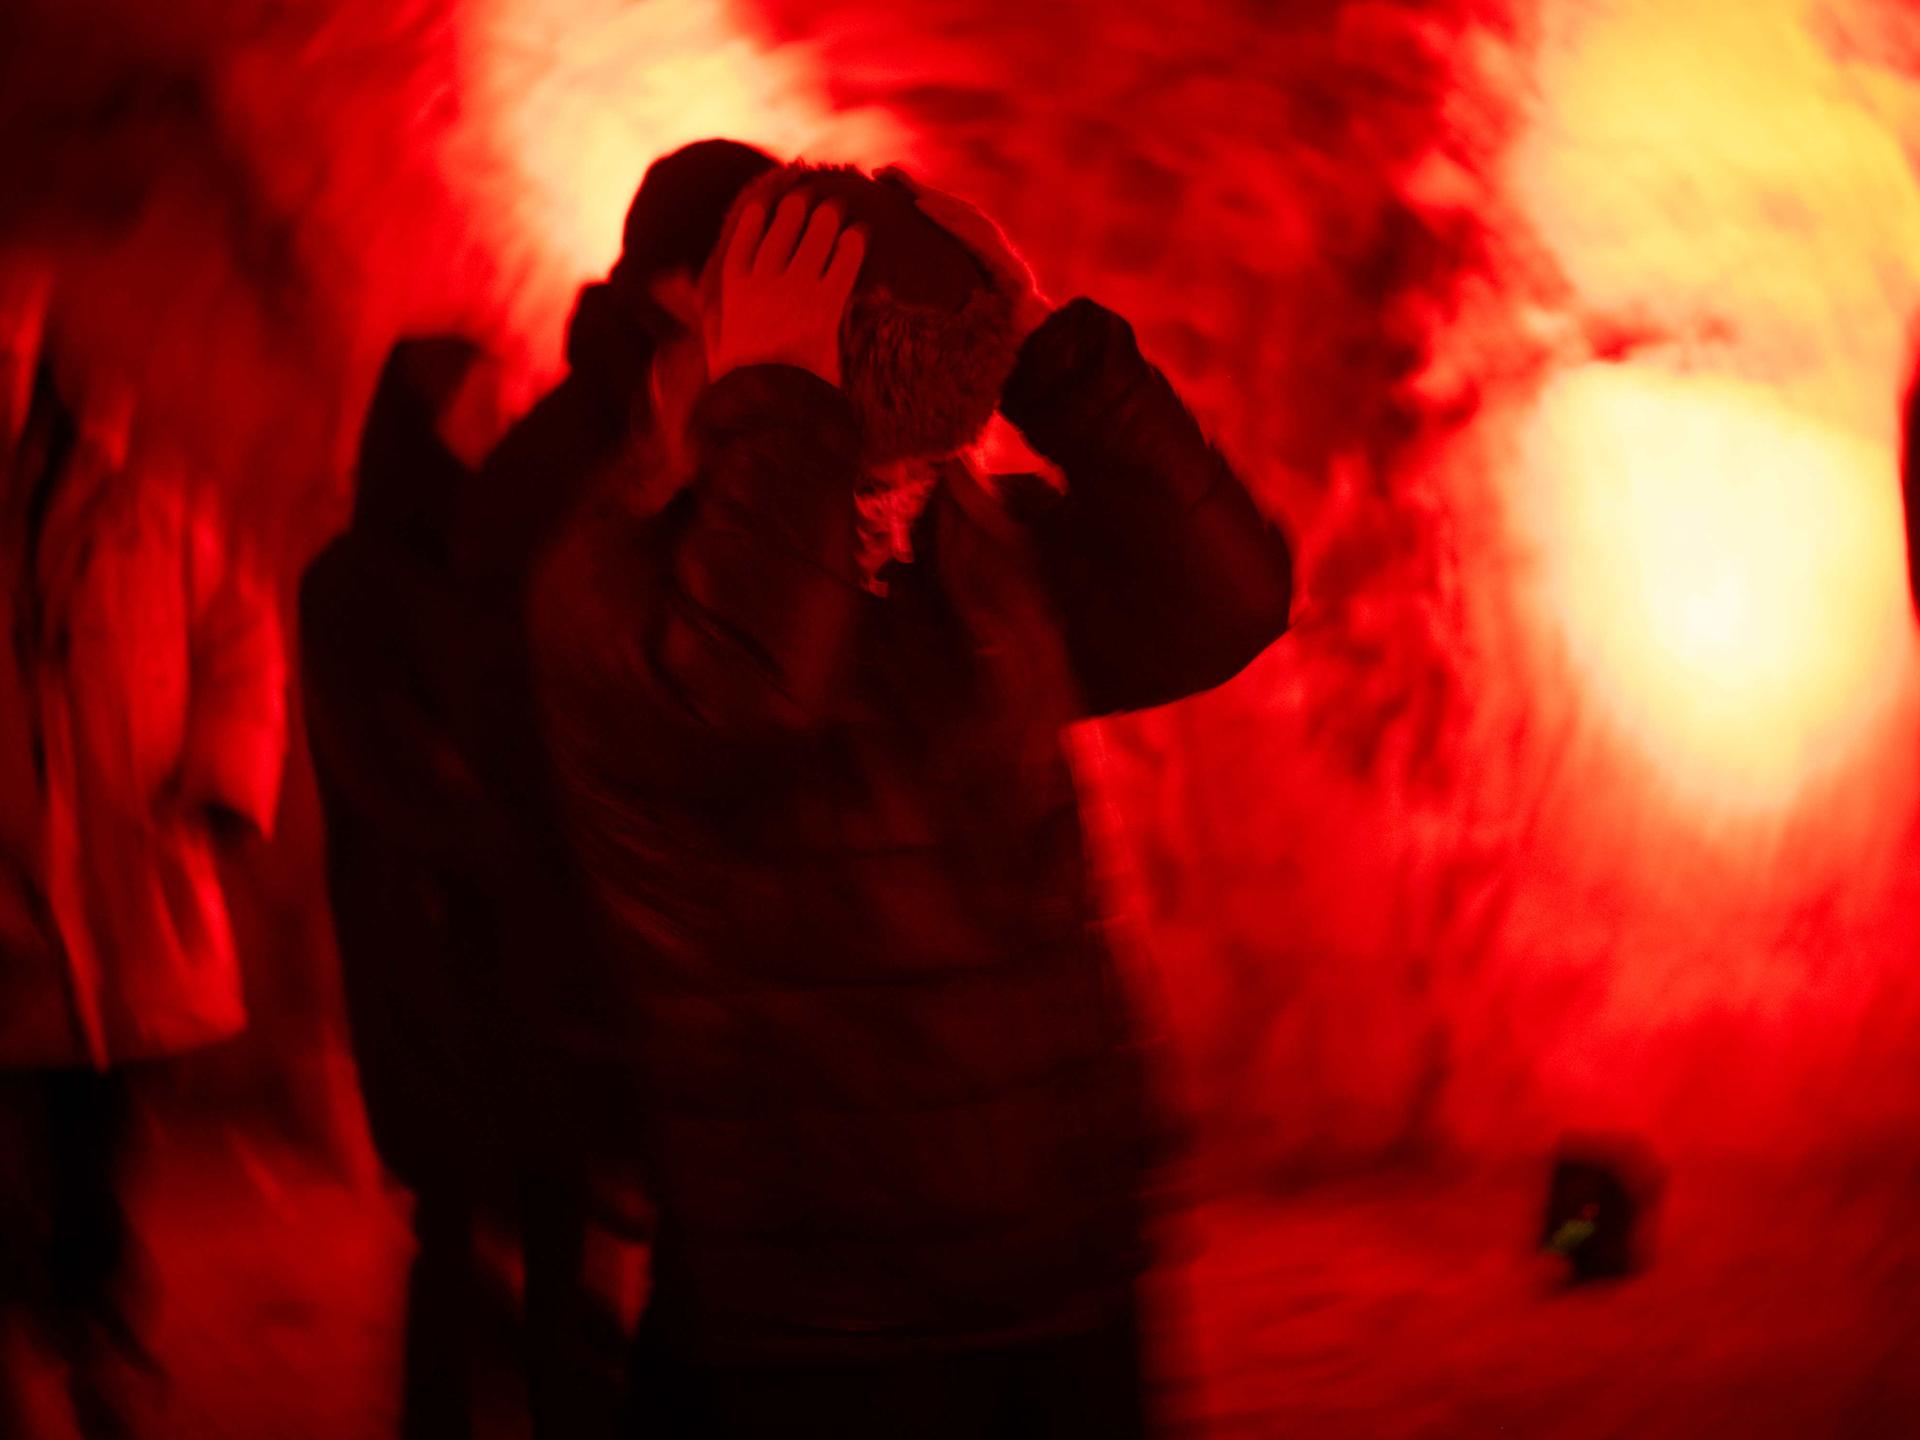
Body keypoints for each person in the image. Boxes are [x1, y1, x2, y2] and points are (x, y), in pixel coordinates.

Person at [493, 140, 1295, 1437]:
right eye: (876, 470)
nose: (903, 506)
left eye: (920, 468)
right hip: (824, 1312)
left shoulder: (970, 556)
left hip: (1065, 1272)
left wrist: (1043, 349)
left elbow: (1230, 599)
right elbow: (750, 694)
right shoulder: (608, 583)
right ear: (720, 353)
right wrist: (779, 404)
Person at [303, 337, 625, 1438]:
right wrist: (527, 843)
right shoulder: (349, 583)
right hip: (432, 951)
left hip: (535, 951)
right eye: (476, 407)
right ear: (421, 425)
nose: (499, 424)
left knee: (556, 1208)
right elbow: (391, 771)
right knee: (453, 1221)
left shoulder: (516, 558)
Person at [0, 261, 288, 1438]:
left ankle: (97, 1331)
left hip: (121, 880)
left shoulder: (150, 494)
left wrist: (218, 782)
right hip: (18, 884)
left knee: (98, 1138)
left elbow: (240, 631)